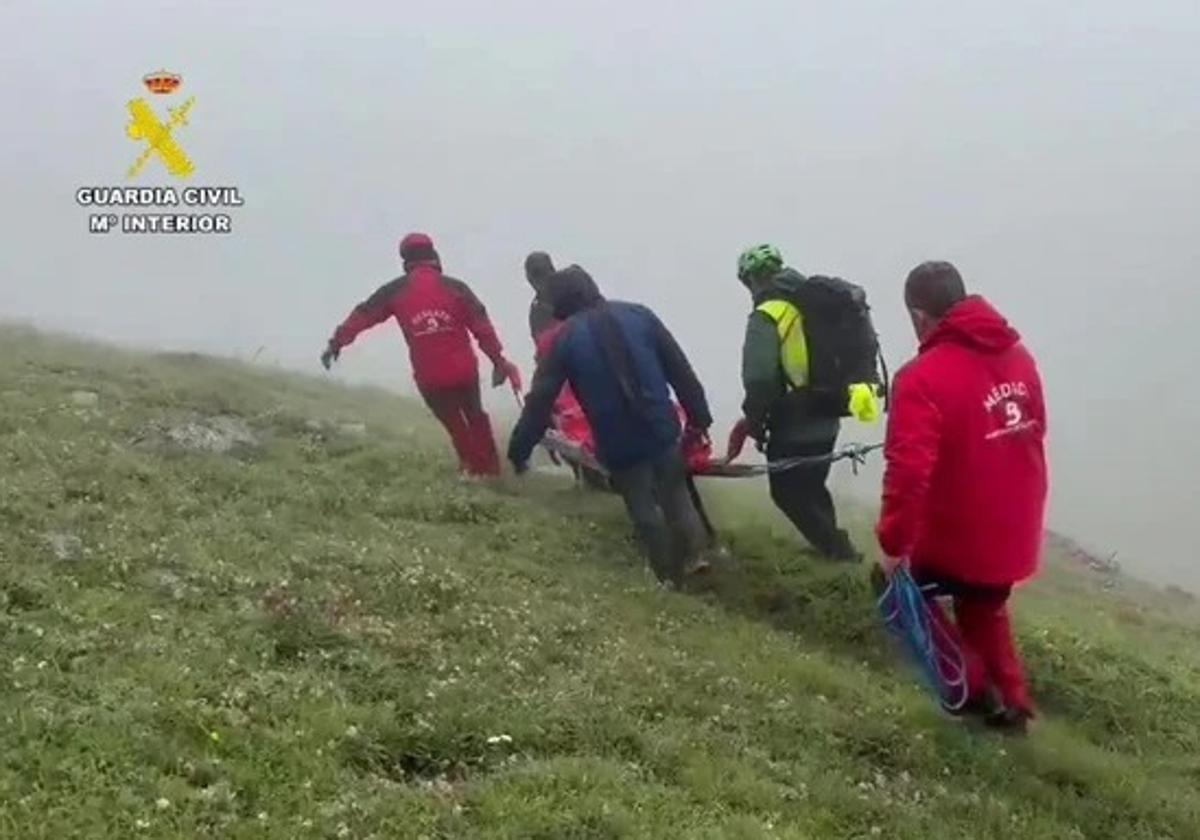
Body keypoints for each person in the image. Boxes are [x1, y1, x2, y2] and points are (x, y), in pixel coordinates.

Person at [877, 261, 1048, 734]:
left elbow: (909, 472)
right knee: (985, 607)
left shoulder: (920, 378)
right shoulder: (1019, 355)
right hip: (1017, 525)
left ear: (918, 315)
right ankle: (1014, 707)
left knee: (897, 589)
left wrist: (894, 545)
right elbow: (1036, 428)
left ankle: (968, 689)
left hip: (961, 533)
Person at [508, 265, 714, 586]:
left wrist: (519, 449)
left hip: (617, 440)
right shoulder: (640, 316)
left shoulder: (564, 340)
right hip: (661, 427)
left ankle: (668, 580)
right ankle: (697, 555)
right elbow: (680, 372)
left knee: (643, 509)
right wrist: (699, 419)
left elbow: (540, 403)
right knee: (677, 496)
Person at [320, 232, 521, 477]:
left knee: (455, 423)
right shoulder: (456, 288)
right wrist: (498, 361)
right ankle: (490, 472)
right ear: (434, 255)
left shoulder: (395, 290)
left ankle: (472, 469)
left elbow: (363, 315)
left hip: (430, 375)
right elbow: (482, 327)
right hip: (463, 370)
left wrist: (336, 343)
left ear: (405, 261)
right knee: (476, 415)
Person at [731, 244, 869, 562]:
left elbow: (760, 379)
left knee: (786, 493)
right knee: (812, 485)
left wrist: (754, 421)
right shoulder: (814, 303)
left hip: (793, 421)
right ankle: (832, 547)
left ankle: (839, 552)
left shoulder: (768, 314)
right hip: (829, 413)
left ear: (751, 279)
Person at [525, 251, 558, 342]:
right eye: (536, 274)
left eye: (543, 272)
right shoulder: (537, 311)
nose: (540, 279)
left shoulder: (573, 294)